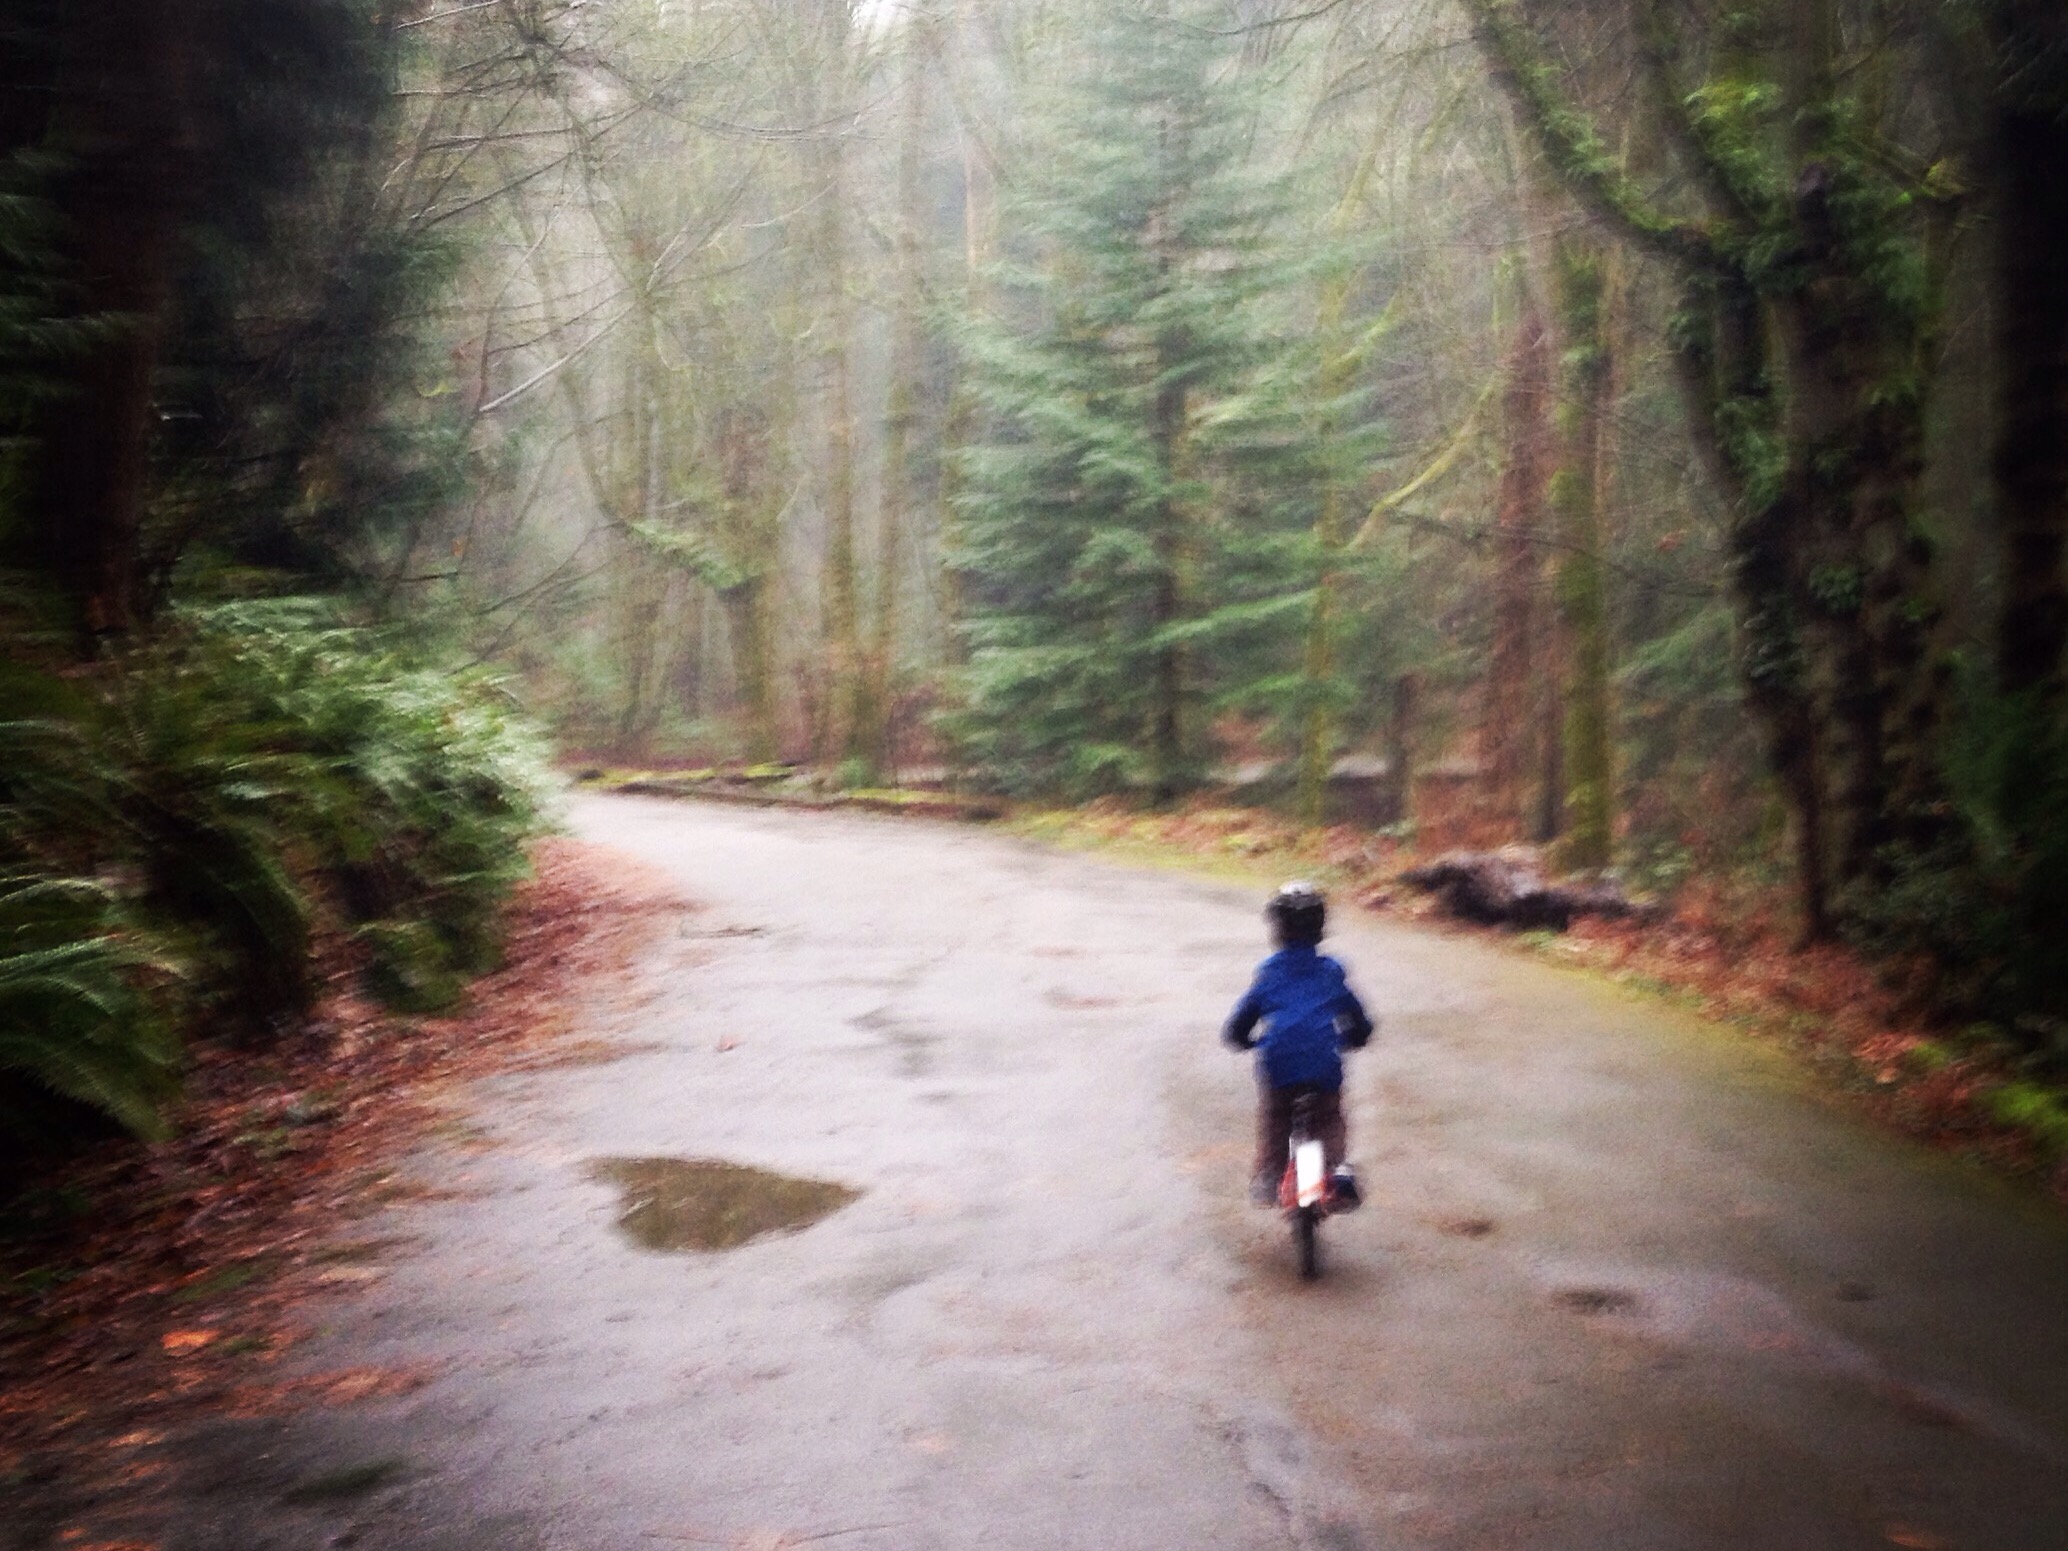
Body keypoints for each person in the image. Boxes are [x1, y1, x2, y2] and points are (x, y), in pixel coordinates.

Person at [1222, 881, 1373, 1209]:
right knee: (1329, 1118)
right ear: (1320, 927)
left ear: (1277, 928)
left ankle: (1270, 1175)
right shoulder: (1331, 971)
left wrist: (1241, 1039)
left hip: (1279, 1063)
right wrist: (1358, 1036)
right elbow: (1357, 1017)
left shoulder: (1269, 973)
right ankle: (1338, 1171)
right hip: (1324, 1063)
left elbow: (1240, 1022)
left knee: (1276, 1117)